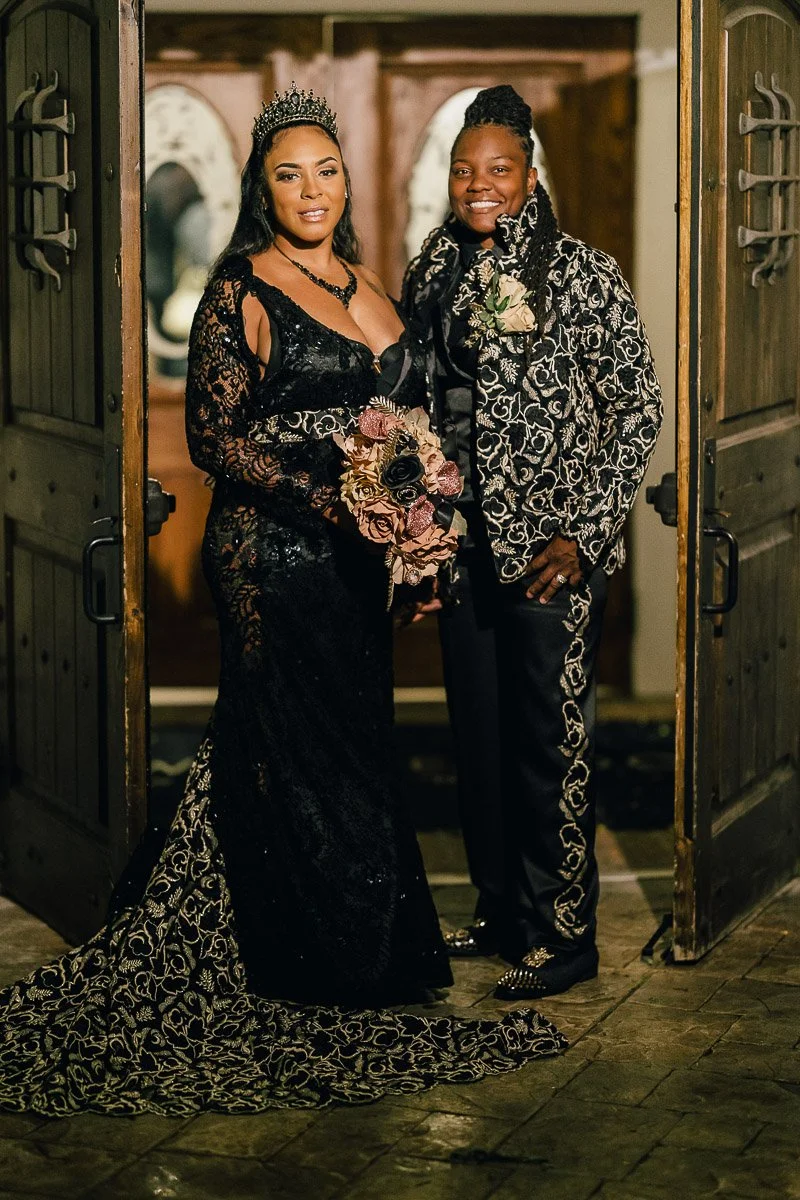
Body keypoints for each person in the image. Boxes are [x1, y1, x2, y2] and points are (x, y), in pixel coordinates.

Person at [0, 86, 565, 1118]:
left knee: (354, 742)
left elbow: (403, 428)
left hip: (359, 565)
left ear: (346, 182)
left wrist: (413, 534)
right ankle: (290, 962)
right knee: (280, 741)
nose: (312, 189)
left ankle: (362, 951)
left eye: (327, 170)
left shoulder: (370, 282)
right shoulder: (237, 288)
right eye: (288, 173)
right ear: (263, 191)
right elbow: (216, 441)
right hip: (270, 555)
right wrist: (331, 500)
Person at [403, 86, 663, 1002]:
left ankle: (566, 934)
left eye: (498, 170)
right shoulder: (430, 267)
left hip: (552, 557)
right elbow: (415, 406)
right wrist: (415, 531)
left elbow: (638, 410)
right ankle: (504, 909)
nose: (479, 185)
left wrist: (585, 535)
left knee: (549, 743)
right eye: (464, 170)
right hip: (462, 547)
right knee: (479, 737)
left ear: (529, 174)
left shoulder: (582, 274)